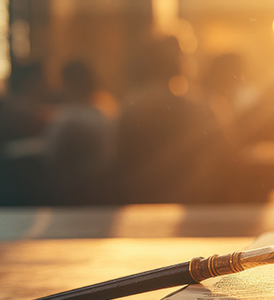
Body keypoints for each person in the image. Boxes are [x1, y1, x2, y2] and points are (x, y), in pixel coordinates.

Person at [117, 36, 227, 203]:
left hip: (141, 199)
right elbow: (219, 159)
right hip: (190, 202)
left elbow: (120, 158)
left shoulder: (133, 106)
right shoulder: (199, 108)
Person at [43, 60, 114, 204]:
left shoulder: (65, 118)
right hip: (101, 192)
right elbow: (110, 156)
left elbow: (49, 153)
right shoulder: (103, 116)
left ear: (67, 84)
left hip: (66, 194)